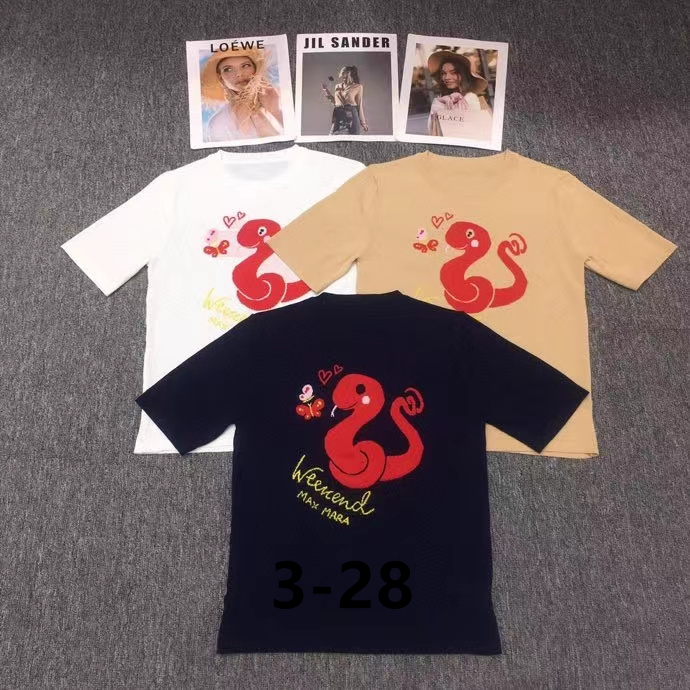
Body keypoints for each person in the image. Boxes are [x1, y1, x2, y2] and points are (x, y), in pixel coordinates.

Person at [200, 48, 283, 141]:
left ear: (255, 69)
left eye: (245, 65)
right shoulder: (218, 122)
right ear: (221, 78)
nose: (239, 74)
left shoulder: (281, 100)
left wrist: (275, 111)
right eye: (228, 69)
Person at [426, 51, 491, 136]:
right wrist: (441, 104)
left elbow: (472, 130)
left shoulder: (470, 98)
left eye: (453, 73)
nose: (447, 77)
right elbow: (432, 129)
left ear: (463, 74)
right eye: (443, 73)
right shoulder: (440, 99)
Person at [321, 66, 369, 135]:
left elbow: (359, 105)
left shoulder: (358, 87)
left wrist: (363, 123)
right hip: (338, 116)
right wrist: (326, 90)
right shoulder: (337, 86)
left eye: (343, 71)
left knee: (351, 139)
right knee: (332, 137)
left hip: (351, 117)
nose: (340, 73)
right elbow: (336, 102)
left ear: (349, 73)